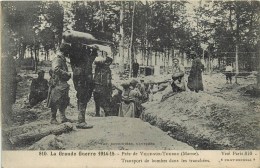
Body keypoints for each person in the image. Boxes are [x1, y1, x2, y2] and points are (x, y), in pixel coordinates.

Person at [68, 42, 96, 129]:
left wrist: (94, 50)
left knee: (83, 98)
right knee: (82, 98)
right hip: (82, 80)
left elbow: (91, 58)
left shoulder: (83, 60)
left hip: (84, 80)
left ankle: (80, 119)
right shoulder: (77, 58)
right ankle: (81, 121)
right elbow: (88, 58)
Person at [47, 49, 72, 124]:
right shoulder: (57, 59)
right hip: (57, 83)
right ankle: (53, 118)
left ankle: (63, 117)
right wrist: (66, 74)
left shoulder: (62, 59)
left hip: (62, 83)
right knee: (55, 100)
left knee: (64, 100)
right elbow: (56, 69)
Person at [1, 56, 20, 125]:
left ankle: (8, 117)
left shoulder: (11, 67)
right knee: (6, 102)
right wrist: (16, 79)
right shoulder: (5, 68)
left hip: (11, 87)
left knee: (10, 102)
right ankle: (7, 118)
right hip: (6, 88)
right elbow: (6, 78)